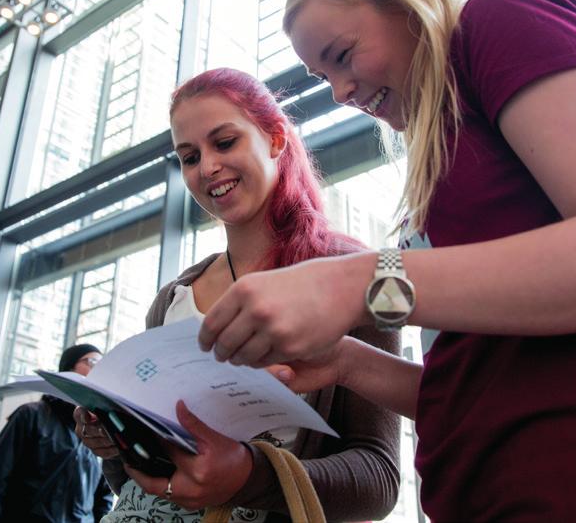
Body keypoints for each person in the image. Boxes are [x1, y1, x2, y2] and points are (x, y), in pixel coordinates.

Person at [195, 0, 576, 523]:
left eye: (343, 56)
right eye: (323, 77)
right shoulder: (443, 161)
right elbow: (479, 379)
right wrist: (350, 364)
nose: (339, 92)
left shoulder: (497, 18)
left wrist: (352, 283)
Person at [75, 67, 400, 522]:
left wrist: (249, 476)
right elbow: (146, 483)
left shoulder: (354, 275)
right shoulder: (173, 298)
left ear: (275, 140)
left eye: (224, 142)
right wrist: (115, 438)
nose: (207, 167)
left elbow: (378, 479)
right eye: (188, 157)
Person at [0, 343, 113, 523]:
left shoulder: (100, 431)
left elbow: (104, 498)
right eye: (93, 362)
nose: (99, 369)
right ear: (69, 368)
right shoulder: (30, 415)